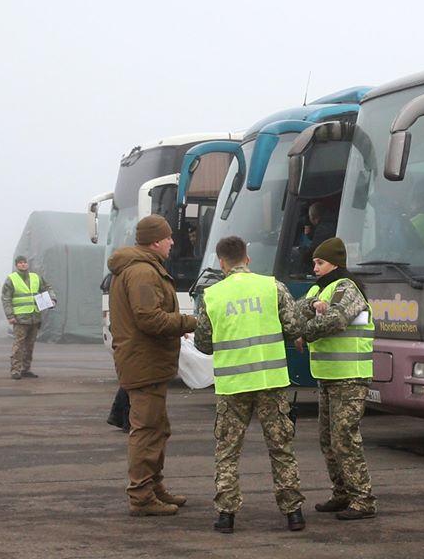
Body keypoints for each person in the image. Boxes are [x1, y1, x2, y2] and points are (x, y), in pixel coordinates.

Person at [194, 236, 306, 533]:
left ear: (221, 263)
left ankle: (226, 516)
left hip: (233, 385)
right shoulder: (273, 286)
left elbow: (203, 343)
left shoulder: (212, 295)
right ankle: (293, 513)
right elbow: (295, 327)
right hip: (270, 380)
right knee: (281, 447)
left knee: (228, 451)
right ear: (248, 258)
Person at [108, 215, 197, 517]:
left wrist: (174, 325)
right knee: (147, 430)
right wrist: (188, 322)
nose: (173, 242)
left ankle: (153, 486)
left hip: (147, 361)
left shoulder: (140, 268)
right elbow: (149, 318)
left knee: (158, 428)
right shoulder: (143, 272)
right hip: (144, 362)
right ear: (156, 241)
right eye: (169, 238)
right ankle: (142, 496)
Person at [297, 237, 377, 520]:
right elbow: (297, 312)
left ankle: (363, 499)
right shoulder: (319, 288)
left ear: (335, 263)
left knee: (344, 438)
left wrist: (305, 331)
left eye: (320, 262)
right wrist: (311, 309)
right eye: (314, 263)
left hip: (350, 376)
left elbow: (336, 319)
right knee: (327, 439)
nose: (315, 268)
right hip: (329, 376)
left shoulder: (346, 288)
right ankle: (342, 492)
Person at [1, 255, 55, 380]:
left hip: (34, 317)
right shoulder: (11, 279)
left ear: (27, 264)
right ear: (16, 265)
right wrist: (10, 315)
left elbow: (47, 288)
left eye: (24, 262)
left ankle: (26, 369)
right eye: (20, 263)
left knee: (30, 345)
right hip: (20, 318)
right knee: (19, 345)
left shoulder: (36, 277)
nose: (23, 265)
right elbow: (6, 298)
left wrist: (52, 298)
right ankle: (15, 370)